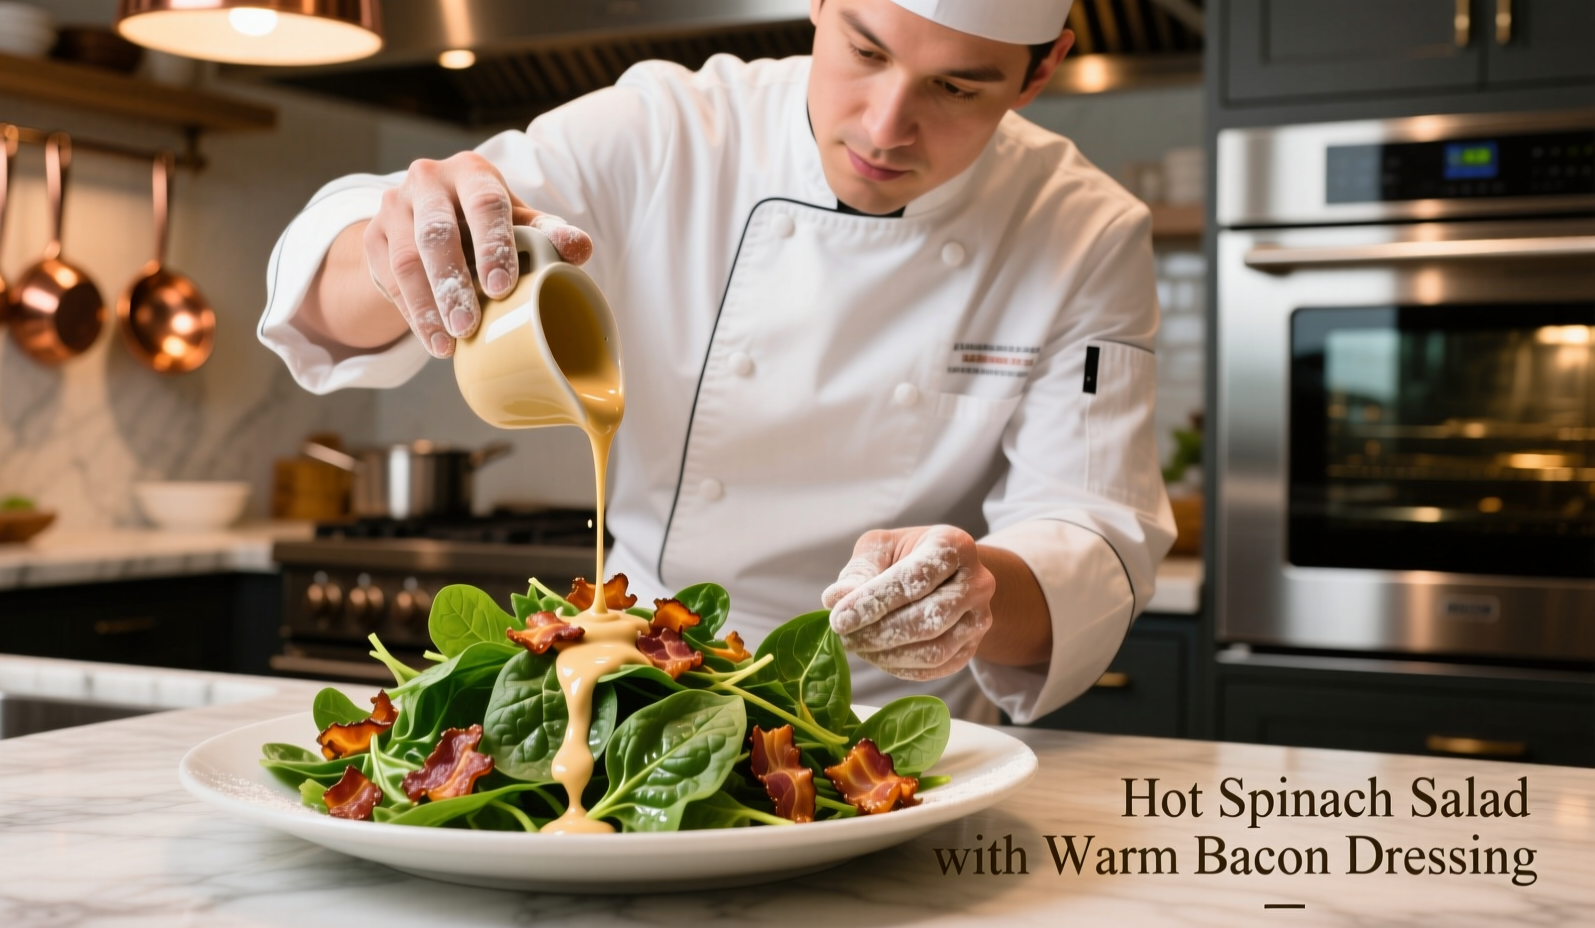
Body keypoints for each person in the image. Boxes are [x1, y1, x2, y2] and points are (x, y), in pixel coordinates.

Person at [259, 0, 1175, 723]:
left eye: (958, 89)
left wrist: (971, 596)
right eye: (865, 52)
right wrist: (403, 243)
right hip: (639, 698)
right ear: (819, 3)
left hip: (896, 734)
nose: (887, 125)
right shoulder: (667, 130)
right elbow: (330, 292)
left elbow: (1092, 533)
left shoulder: (1081, 230)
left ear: (1039, 70)